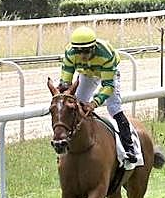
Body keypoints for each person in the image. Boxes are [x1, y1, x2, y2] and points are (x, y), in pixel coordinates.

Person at [58, 25, 139, 169]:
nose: (82, 55)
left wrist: (94, 103)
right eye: (79, 51)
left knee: (113, 107)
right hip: (87, 74)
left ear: (93, 47)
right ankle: (69, 145)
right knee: (77, 106)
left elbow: (108, 86)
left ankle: (129, 147)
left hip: (107, 73)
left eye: (86, 51)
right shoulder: (70, 53)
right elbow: (65, 85)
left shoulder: (105, 54)